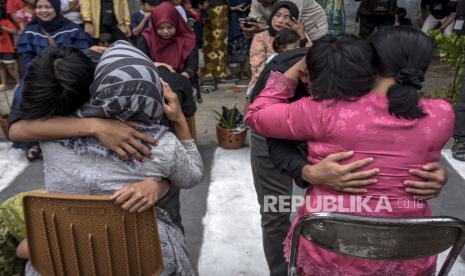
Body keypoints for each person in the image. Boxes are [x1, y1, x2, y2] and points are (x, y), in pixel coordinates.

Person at [245, 27, 454, 275]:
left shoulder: (328, 110)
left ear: (371, 64)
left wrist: (298, 67)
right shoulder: (441, 114)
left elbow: (256, 114)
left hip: (330, 250)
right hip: (405, 253)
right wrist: (441, 175)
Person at [18, 42, 203, 276]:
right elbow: (193, 175)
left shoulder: (52, 136)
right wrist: (179, 120)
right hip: (139, 258)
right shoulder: (163, 145)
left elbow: (26, 126)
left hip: (66, 256)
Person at [11, 0, 93, 161]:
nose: (43, 10)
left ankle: (75, 134)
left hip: (66, 72)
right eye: (39, 7)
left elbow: (80, 55)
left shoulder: (71, 29)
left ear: (55, 8)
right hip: (36, 74)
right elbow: (26, 59)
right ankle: (31, 142)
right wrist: (39, 73)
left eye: (47, 6)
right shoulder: (31, 31)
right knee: (21, 96)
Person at [138, 1, 197, 122]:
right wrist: (162, 65)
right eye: (161, 28)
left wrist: (183, 77)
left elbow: (192, 65)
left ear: (177, 24)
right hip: (154, 85)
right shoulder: (146, 39)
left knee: (184, 118)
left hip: (182, 84)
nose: (165, 32)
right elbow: (141, 63)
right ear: (154, 26)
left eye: (170, 27)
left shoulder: (187, 39)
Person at [247, 1, 305, 96]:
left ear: (293, 20)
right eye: (277, 15)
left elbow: (310, 60)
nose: (280, 20)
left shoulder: (298, 36)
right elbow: (258, 70)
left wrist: (302, 38)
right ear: (272, 16)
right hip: (263, 86)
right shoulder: (261, 37)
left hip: (294, 87)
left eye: (286, 17)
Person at [242, 0, 328, 42]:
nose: (260, 2)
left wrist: (262, 28)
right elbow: (256, 22)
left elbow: (287, 27)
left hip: (314, 29)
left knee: (315, 61)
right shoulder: (257, 1)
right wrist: (249, 29)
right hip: (279, 33)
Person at [228, 0, 250, 80]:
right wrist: (235, 8)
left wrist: (248, 6)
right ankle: (228, 72)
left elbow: (252, 3)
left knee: (244, 47)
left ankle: (243, 71)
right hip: (232, 21)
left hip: (244, 20)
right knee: (230, 47)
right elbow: (224, 6)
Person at [0, 10, 19, 91]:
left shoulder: (5, 22)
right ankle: (4, 84)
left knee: (10, 66)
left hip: (6, 47)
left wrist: (3, 28)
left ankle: (19, 83)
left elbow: (15, 31)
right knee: (0, 67)